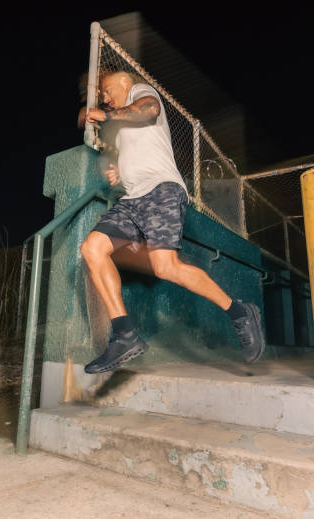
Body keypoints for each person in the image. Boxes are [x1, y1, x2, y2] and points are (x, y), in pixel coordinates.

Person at [80, 71, 265, 373]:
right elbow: (143, 156)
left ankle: (239, 311)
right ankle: (125, 334)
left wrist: (108, 113)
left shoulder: (140, 93)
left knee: (165, 267)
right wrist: (120, 175)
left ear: (124, 84)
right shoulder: (125, 127)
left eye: (107, 90)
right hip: (134, 197)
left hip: (162, 191)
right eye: (102, 94)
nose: (104, 96)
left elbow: (149, 109)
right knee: (92, 248)